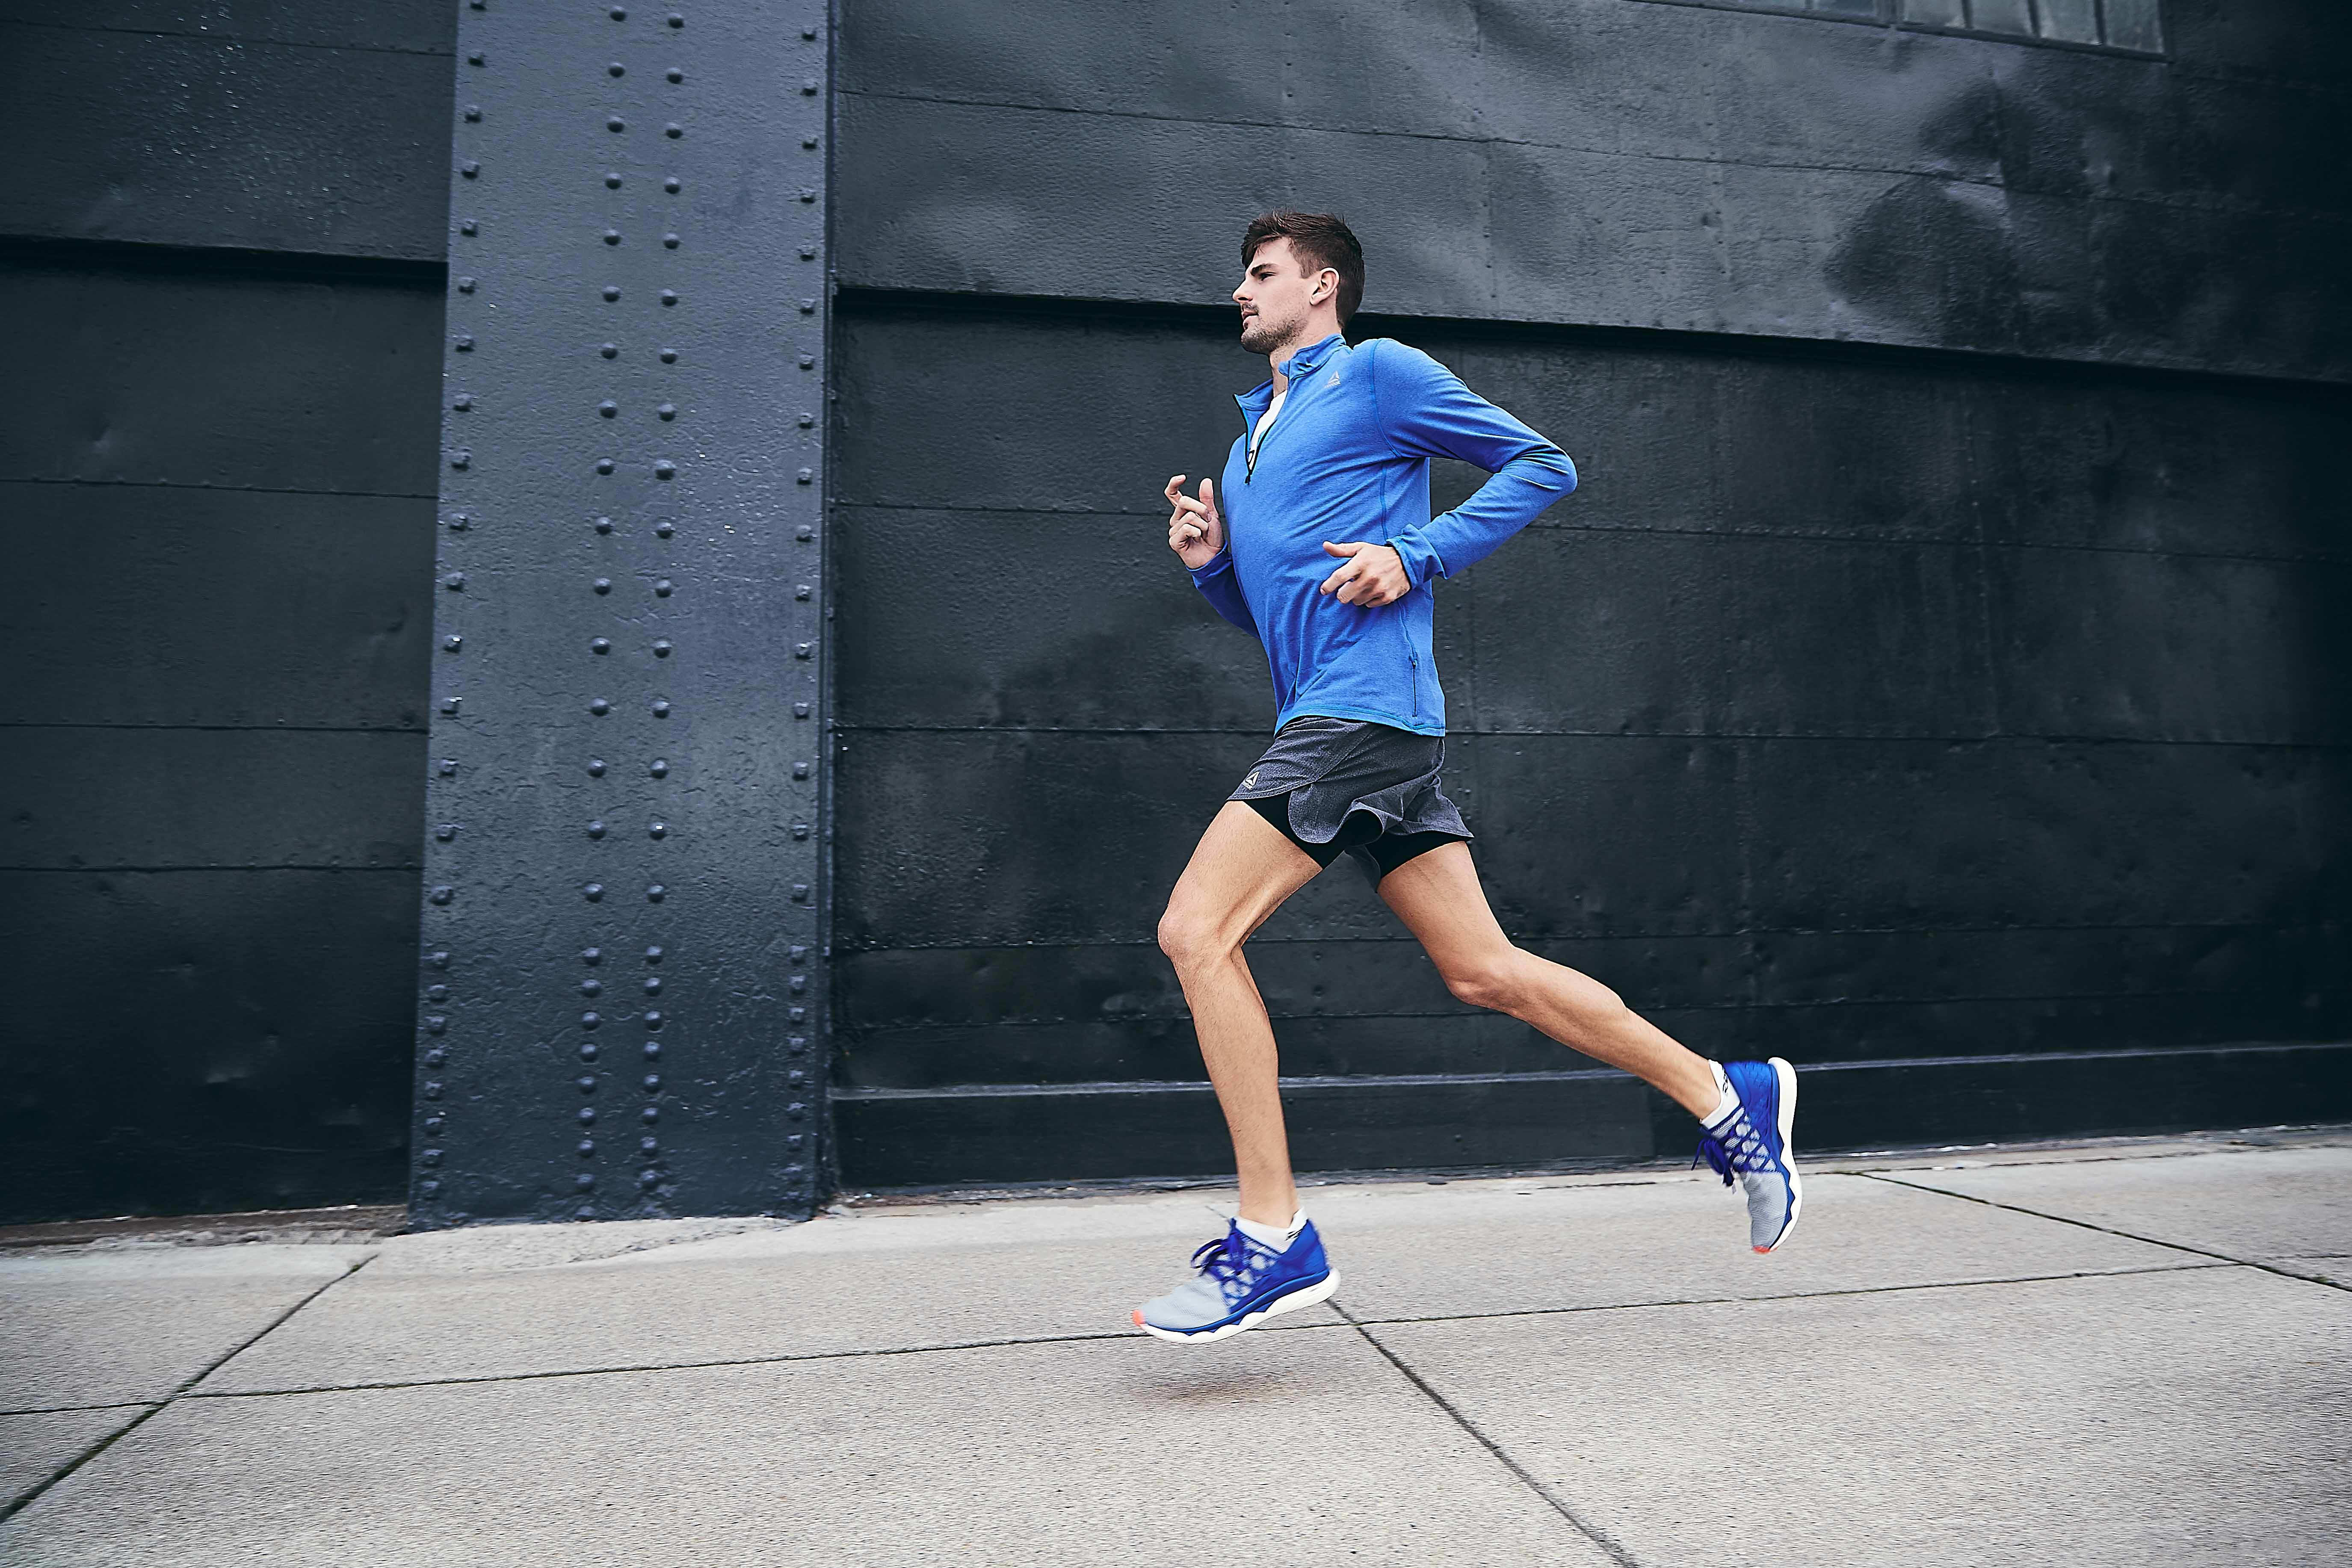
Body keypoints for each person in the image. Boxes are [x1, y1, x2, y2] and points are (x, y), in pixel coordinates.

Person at [1133, 210, 1800, 1345]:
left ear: (1323, 286)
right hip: (1346, 717)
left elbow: (1544, 463)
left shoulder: (1379, 375)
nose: (1239, 293)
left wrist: (1416, 551)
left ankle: (1272, 1232)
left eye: (1259, 274)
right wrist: (1211, 572)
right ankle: (1721, 1092)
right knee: (1487, 971)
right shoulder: (1251, 438)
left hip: (1358, 718)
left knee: (1195, 931)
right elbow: (1284, 619)